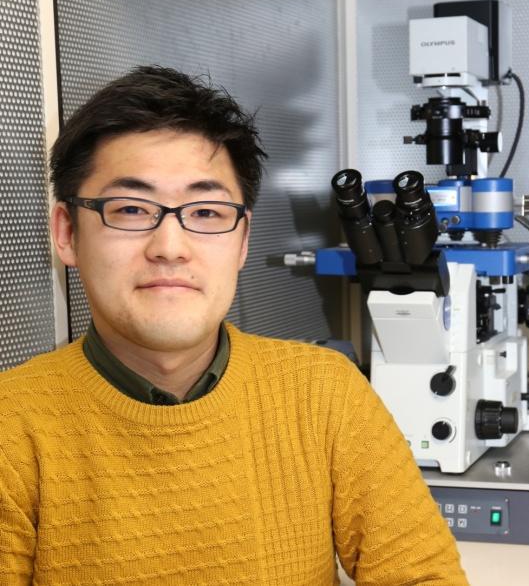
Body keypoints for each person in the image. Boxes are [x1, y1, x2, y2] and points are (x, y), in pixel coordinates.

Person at [0, 66, 467, 585]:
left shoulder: (325, 395)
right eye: (130, 208)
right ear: (67, 233)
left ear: (243, 241)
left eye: (206, 212)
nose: (170, 247)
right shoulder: (11, 426)